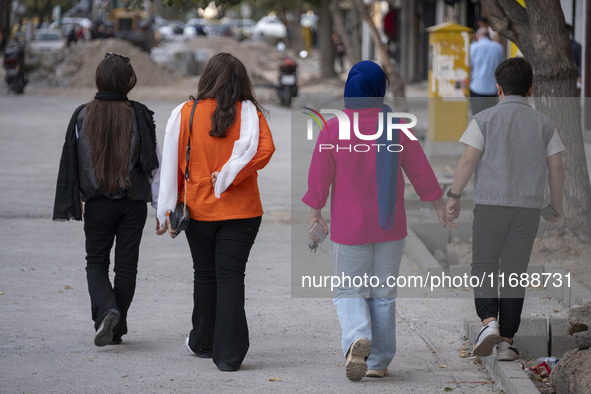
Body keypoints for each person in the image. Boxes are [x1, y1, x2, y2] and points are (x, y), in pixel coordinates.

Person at [302, 61, 453, 381]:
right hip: (390, 226)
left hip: (349, 227)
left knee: (349, 290)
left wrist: (316, 211)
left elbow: (319, 175)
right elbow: (420, 169)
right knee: (383, 294)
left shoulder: (334, 127)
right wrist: (438, 203)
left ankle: (357, 336)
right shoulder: (396, 126)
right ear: (379, 90)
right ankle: (378, 362)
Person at [157, 52, 275, 372]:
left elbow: (172, 164)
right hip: (243, 212)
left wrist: (166, 209)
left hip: (198, 210)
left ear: (206, 78)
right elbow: (264, 151)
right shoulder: (251, 115)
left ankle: (202, 341)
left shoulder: (185, 113)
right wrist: (230, 174)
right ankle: (229, 355)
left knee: (205, 275)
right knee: (231, 277)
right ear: (242, 81)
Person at [445, 57, 565, 361]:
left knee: (484, 265)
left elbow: (468, 161)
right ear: (531, 90)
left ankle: (489, 322)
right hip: (526, 209)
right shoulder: (545, 124)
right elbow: (556, 168)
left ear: (498, 89)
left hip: (489, 206)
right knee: (514, 272)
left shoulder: (483, 120)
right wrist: (556, 204)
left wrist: (454, 195)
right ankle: (506, 343)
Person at [53, 53, 163, 347]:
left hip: (98, 203)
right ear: (128, 81)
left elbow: (73, 161)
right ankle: (116, 325)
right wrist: (161, 206)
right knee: (127, 267)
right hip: (133, 203)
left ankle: (107, 311)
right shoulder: (139, 113)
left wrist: (77, 198)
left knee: (96, 262)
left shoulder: (82, 114)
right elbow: (153, 163)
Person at [469, 27, 504, 115]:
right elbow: (501, 67)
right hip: (493, 88)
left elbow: (469, 67)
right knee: (490, 117)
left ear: (478, 35)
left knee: (477, 118)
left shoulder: (473, 47)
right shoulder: (499, 47)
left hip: (476, 88)